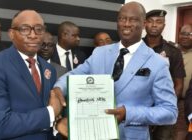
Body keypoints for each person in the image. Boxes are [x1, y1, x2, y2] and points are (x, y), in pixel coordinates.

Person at [53, 2, 178, 139]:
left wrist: (128, 113)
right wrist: (59, 88)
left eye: (133, 19)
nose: (126, 24)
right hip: (94, 133)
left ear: (144, 24)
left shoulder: (157, 63)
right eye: (122, 19)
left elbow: (169, 112)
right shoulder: (100, 53)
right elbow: (74, 75)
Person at [0, 10, 64, 140]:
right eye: (25, 29)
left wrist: (58, 126)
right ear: (11, 34)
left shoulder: (49, 68)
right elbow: (2, 125)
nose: (33, 35)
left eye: (39, 29)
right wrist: (51, 112)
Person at [143, 9, 186, 140]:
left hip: (163, 107)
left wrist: (166, 106)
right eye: (150, 21)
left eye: (159, 22)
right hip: (139, 106)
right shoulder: (136, 47)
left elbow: (178, 84)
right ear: (144, 24)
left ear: (164, 26)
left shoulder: (173, 51)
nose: (154, 25)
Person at [176, 24, 192, 140]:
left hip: (185, 104)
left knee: (180, 135)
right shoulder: (170, 51)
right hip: (165, 101)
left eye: (189, 34)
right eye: (183, 33)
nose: (185, 36)